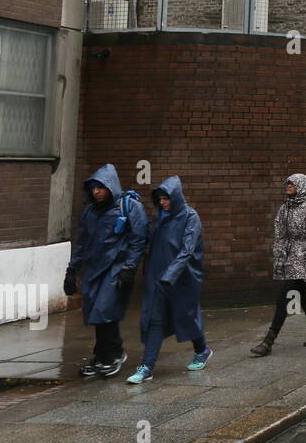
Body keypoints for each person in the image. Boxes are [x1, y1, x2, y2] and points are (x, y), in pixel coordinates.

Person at [66, 164, 149, 379]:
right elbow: (83, 241)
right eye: (93, 188)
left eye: (100, 188)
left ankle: (113, 353)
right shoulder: (91, 211)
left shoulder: (129, 206)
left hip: (116, 267)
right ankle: (102, 355)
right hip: (95, 268)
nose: (96, 192)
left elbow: (138, 240)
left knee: (104, 310)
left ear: (110, 186)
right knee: (96, 312)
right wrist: (72, 269)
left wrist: (129, 267)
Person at [128, 177, 210, 384]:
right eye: (160, 199)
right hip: (158, 278)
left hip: (182, 278)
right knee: (156, 320)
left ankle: (202, 349)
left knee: (186, 316)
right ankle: (147, 366)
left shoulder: (190, 217)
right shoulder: (160, 218)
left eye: (166, 198)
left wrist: (170, 275)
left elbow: (187, 249)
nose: (163, 202)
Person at [251, 174, 306, 356]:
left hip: (303, 256)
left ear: (301, 185)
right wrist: (280, 252)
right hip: (287, 255)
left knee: (284, 296)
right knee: (302, 293)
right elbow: (280, 232)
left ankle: (269, 341)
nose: (288, 185)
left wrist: (299, 254)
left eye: (292, 183)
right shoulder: (284, 207)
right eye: (287, 183)